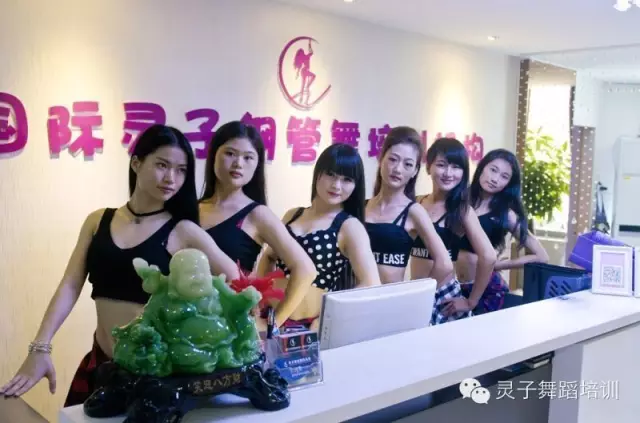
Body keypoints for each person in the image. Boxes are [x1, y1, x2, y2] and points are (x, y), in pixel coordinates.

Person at [0, 125, 240, 406]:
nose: (171, 178)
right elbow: (70, 285)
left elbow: (234, 280)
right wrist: (40, 347)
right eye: (162, 165)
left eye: (181, 170)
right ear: (136, 163)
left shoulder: (184, 231)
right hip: (101, 364)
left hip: (155, 373)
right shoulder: (98, 220)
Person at [200, 121, 317, 327]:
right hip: (183, 323)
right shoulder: (191, 208)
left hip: (230, 327)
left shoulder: (257, 214)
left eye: (248, 157)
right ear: (213, 155)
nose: (238, 163)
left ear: (257, 164)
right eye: (230, 153)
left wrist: (274, 325)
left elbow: (305, 269)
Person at [257, 143, 381, 332]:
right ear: (318, 173)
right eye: (331, 174)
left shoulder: (350, 226)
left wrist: (330, 315)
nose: (336, 185)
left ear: (355, 185)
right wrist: (260, 295)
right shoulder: (293, 214)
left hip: (308, 326)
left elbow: (371, 283)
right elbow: (269, 256)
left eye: (346, 179)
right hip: (270, 316)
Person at [410, 138, 497, 325]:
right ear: (428, 167)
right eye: (441, 165)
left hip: (444, 297)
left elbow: (489, 256)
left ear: (463, 172)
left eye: (456, 167)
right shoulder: (416, 203)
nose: (448, 173)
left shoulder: (462, 210)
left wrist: (471, 301)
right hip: (414, 292)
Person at [457, 149, 549, 313]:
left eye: (504, 177)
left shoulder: (506, 214)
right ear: (482, 167)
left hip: (486, 291)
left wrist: (499, 265)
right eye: (493, 170)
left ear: (509, 184)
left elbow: (542, 256)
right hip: (454, 287)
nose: (495, 179)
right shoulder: (458, 201)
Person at [365, 126, 453, 284]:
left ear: (415, 171)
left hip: (390, 297)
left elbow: (445, 264)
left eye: (408, 164)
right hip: (354, 294)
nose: (397, 169)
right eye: (393, 159)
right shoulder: (362, 206)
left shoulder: (414, 211)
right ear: (380, 158)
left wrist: (420, 294)